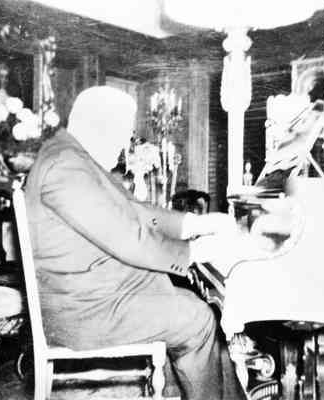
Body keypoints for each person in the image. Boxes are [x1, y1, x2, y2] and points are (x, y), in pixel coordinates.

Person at [25, 86, 249, 400]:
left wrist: (195, 223)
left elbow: (135, 211)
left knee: (195, 306)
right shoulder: (65, 165)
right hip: (85, 313)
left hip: (95, 295)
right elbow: (127, 237)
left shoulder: (72, 157)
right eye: (122, 133)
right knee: (198, 319)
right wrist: (193, 251)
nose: (123, 145)